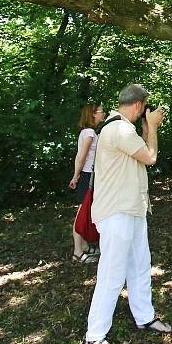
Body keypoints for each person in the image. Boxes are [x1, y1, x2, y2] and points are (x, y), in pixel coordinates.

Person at [83, 84, 170, 344]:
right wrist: (153, 127)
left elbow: (139, 158)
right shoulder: (118, 129)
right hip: (116, 212)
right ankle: (95, 336)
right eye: (144, 109)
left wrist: (147, 129)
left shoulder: (122, 129)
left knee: (140, 264)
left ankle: (144, 316)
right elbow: (151, 157)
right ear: (138, 106)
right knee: (112, 272)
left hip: (132, 209)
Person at [69, 103, 106, 263]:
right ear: (92, 114)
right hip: (88, 176)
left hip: (90, 176)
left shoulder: (88, 132)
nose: (103, 113)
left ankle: (85, 246)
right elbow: (81, 157)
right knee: (81, 215)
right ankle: (77, 252)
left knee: (88, 212)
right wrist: (76, 176)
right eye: (100, 111)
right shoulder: (89, 132)